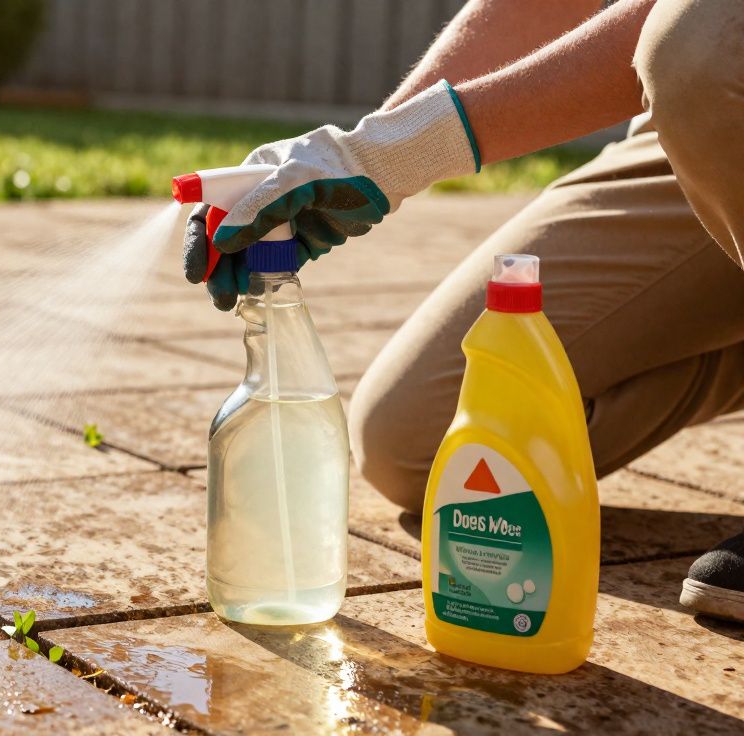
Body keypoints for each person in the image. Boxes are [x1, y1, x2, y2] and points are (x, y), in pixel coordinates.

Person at [182, 0, 744, 623]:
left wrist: (402, 152)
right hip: (709, 133)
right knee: (418, 440)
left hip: (718, 71)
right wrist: (365, 150)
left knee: (703, 42)